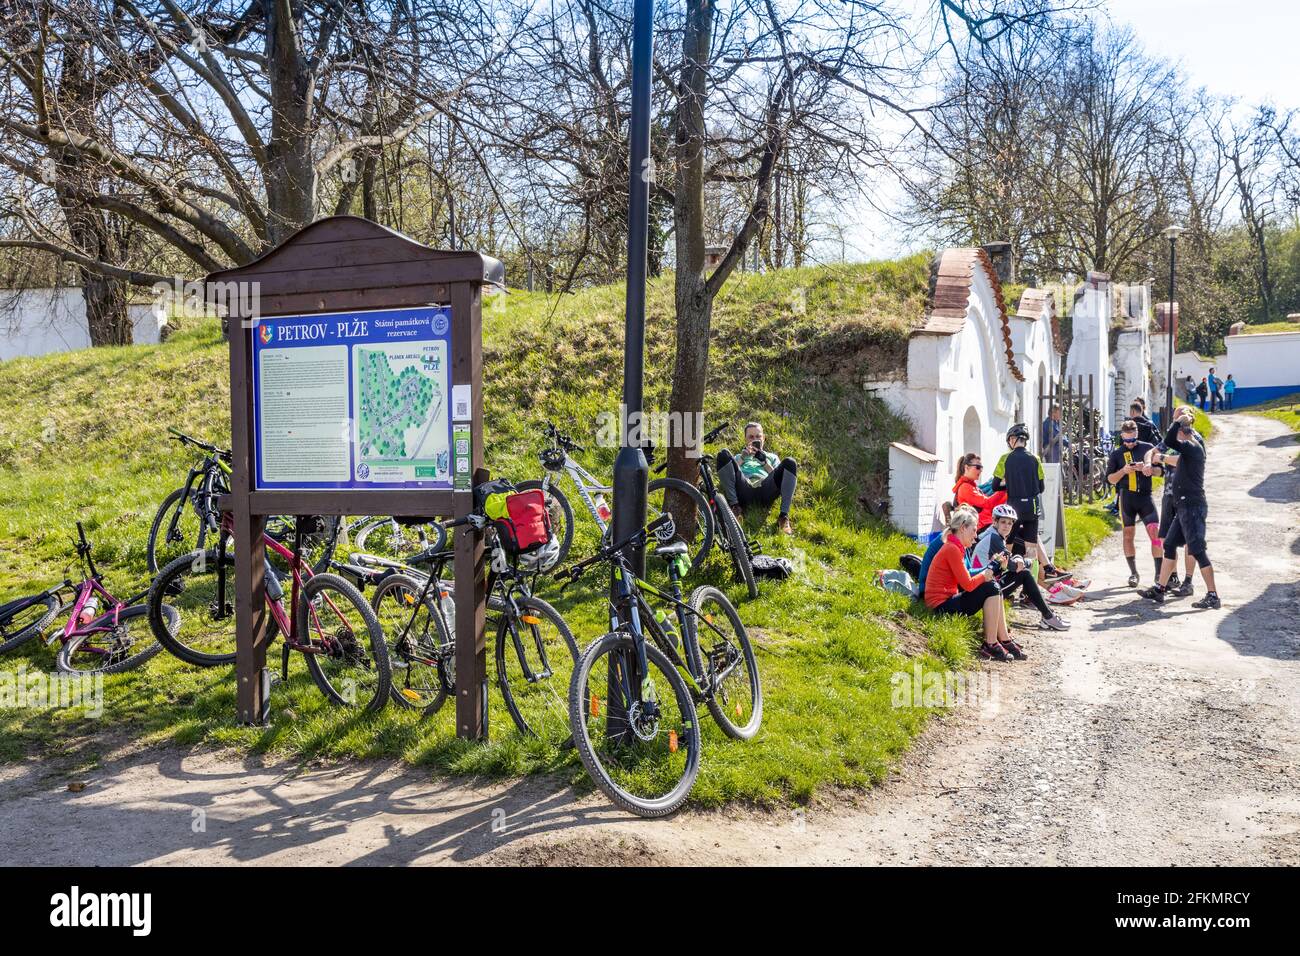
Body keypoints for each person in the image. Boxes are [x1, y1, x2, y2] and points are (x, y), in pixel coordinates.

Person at [1140, 406, 1221, 609]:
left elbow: (1168, 442)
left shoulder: (1192, 446)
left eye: (1177, 429)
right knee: (1169, 545)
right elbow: (1165, 446)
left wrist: (1178, 422)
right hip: (1182, 505)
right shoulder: (1188, 446)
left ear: (1183, 432)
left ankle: (1213, 595)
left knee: (1197, 550)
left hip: (1193, 506)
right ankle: (1160, 589)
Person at [924, 508, 1022, 661]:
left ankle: (1003, 639)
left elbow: (968, 574)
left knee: (992, 586)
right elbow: (968, 585)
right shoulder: (952, 549)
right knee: (991, 587)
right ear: (963, 528)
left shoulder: (955, 546)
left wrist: (991, 567)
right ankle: (991, 643)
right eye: (974, 530)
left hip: (946, 601)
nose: (976, 536)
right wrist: (985, 574)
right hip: (940, 607)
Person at [972, 503, 1070, 630]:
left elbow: (1009, 561)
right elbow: (1013, 567)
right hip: (983, 590)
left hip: (985, 583)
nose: (1007, 526)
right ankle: (1048, 616)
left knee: (1024, 574)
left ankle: (1047, 615)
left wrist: (1018, 559)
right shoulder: (994, 538)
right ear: (994, 521)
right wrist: (1026, 561)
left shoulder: (993, 535)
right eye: (1003, 522)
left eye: (1010, 523)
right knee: (1024, 574)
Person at [992, 422, 1068, 582]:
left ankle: (1003, 582)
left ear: (1013, 439)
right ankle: (1029, 589)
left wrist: (1011, 484)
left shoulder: (1005, 458)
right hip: (1032, 508)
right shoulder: (1035, 458)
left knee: (1008, 547)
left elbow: (995, 485)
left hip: (1013, 507)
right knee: (1031, 550)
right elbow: (1041, 487)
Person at [1107, 419, 1162, 587]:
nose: (1129, 444)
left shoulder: (1147, 448)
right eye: (1125, 440)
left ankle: (1159, 574)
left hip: (1145, 497)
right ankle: (1133, 573)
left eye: (1132, 440)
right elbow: (1110, 479)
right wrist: (1123, 471)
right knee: (1128, 535)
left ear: (1136, 435)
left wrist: (1148, 469)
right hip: (1127, 498)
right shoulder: (1117, 454)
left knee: (1155, 534)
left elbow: (1161, 472)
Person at [717, 421, 797, 534]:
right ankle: (735, 508)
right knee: (723, 454)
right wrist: (743, 457)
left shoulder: (772, 457)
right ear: (745, 439)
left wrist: (764, 462)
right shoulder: (739, 456)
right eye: (751, 437)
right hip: (744, 489)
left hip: (765, 490)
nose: (755, 439)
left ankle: (783, 517)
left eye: (758, 436)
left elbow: (779, 479)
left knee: (790, 462)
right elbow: (729, 474)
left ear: (763, 438)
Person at [951, 452, 1007, 529]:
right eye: (978, 467)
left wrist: (1006, 492)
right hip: (980, 527)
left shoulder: (972, 486)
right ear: (966, 468)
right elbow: (988, 503)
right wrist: (1004, 489)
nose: (980, 470)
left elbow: (991, 505)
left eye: (981, 467)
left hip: (986, 524)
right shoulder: (965, 487)